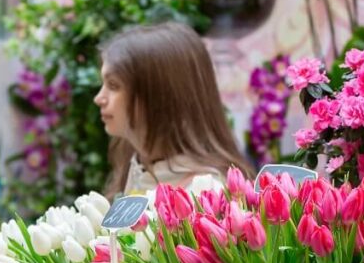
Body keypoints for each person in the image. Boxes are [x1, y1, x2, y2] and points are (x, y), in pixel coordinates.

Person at [94, 22, 251, 195]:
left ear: (159, 95)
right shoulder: (136, 165)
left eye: (114, 85)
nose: (99, 98)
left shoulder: (206, 192)